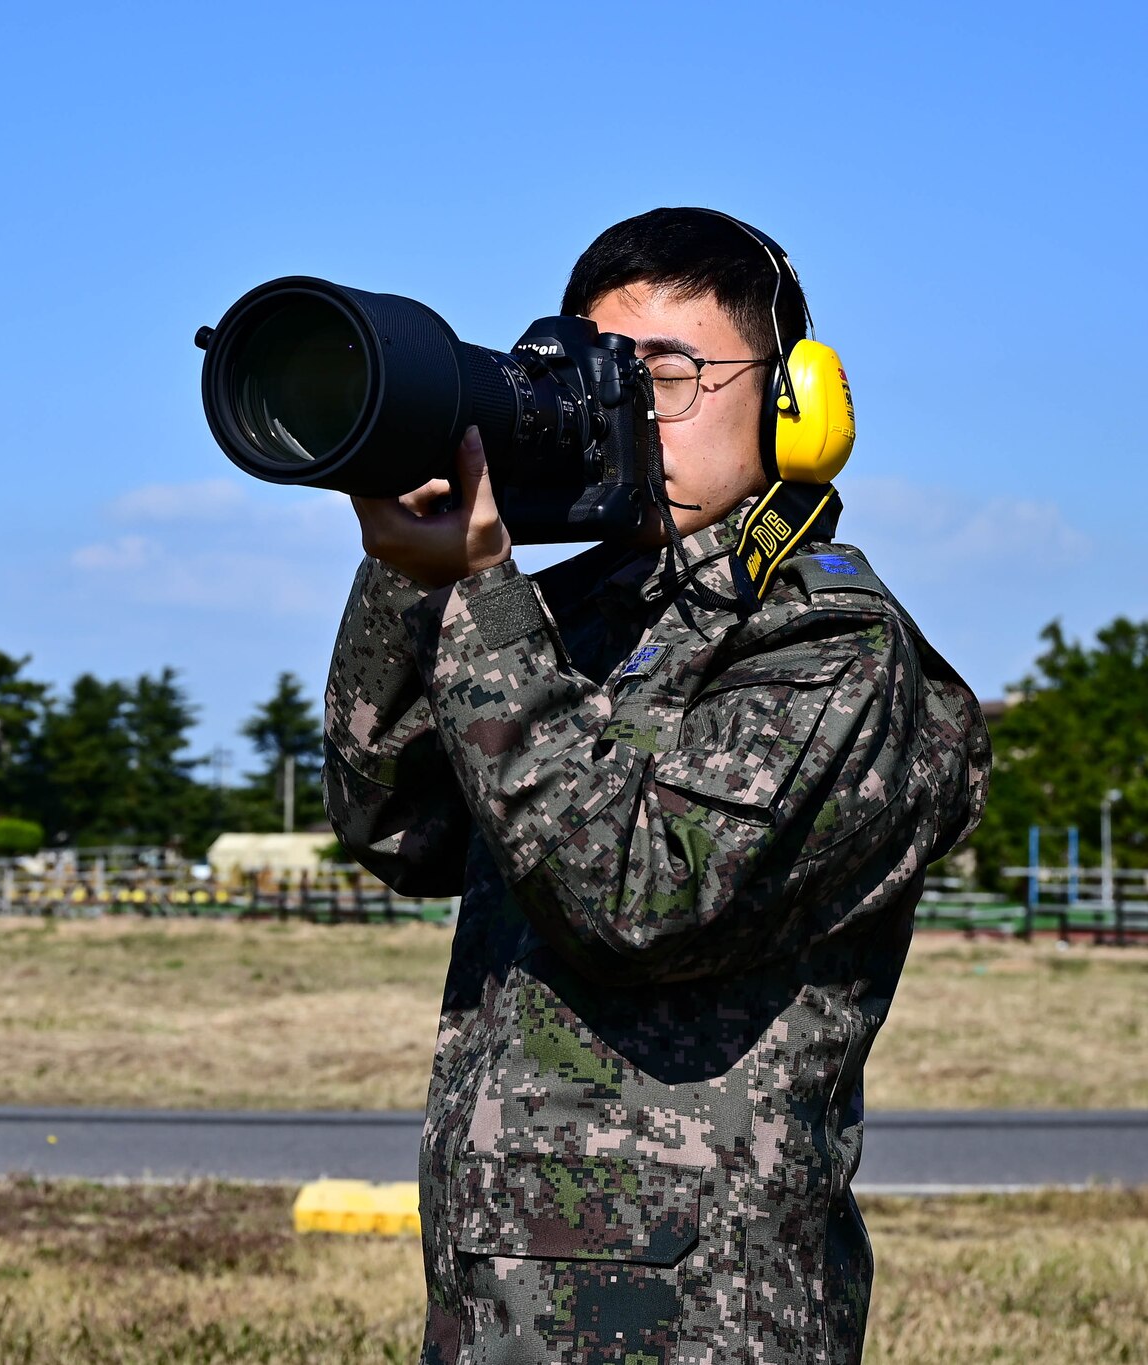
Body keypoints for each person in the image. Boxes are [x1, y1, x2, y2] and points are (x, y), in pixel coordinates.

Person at [324, 208, 990, 1364]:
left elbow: (636, 897)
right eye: (600, 379)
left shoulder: (828, 646)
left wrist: (480, 593)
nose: (629, 417)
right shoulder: (569, 615)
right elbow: (396, 828)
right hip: (495, 1312)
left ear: (792, 407)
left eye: (670, 378)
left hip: (703, 1323)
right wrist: (408, 576)